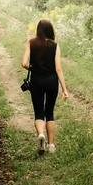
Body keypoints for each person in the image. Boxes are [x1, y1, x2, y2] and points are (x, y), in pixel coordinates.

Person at [21, 19, 69, 154]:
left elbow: (24, 63)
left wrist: (33, 68)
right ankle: (51, 145)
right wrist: (64, 89)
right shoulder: (55, 45)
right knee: (50, 113)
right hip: (52, 82)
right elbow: (58, 69)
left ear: (38, 30)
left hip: (36, 82)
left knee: (38, 112)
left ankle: (41, 134)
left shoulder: (31, 43)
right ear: (50, 30)